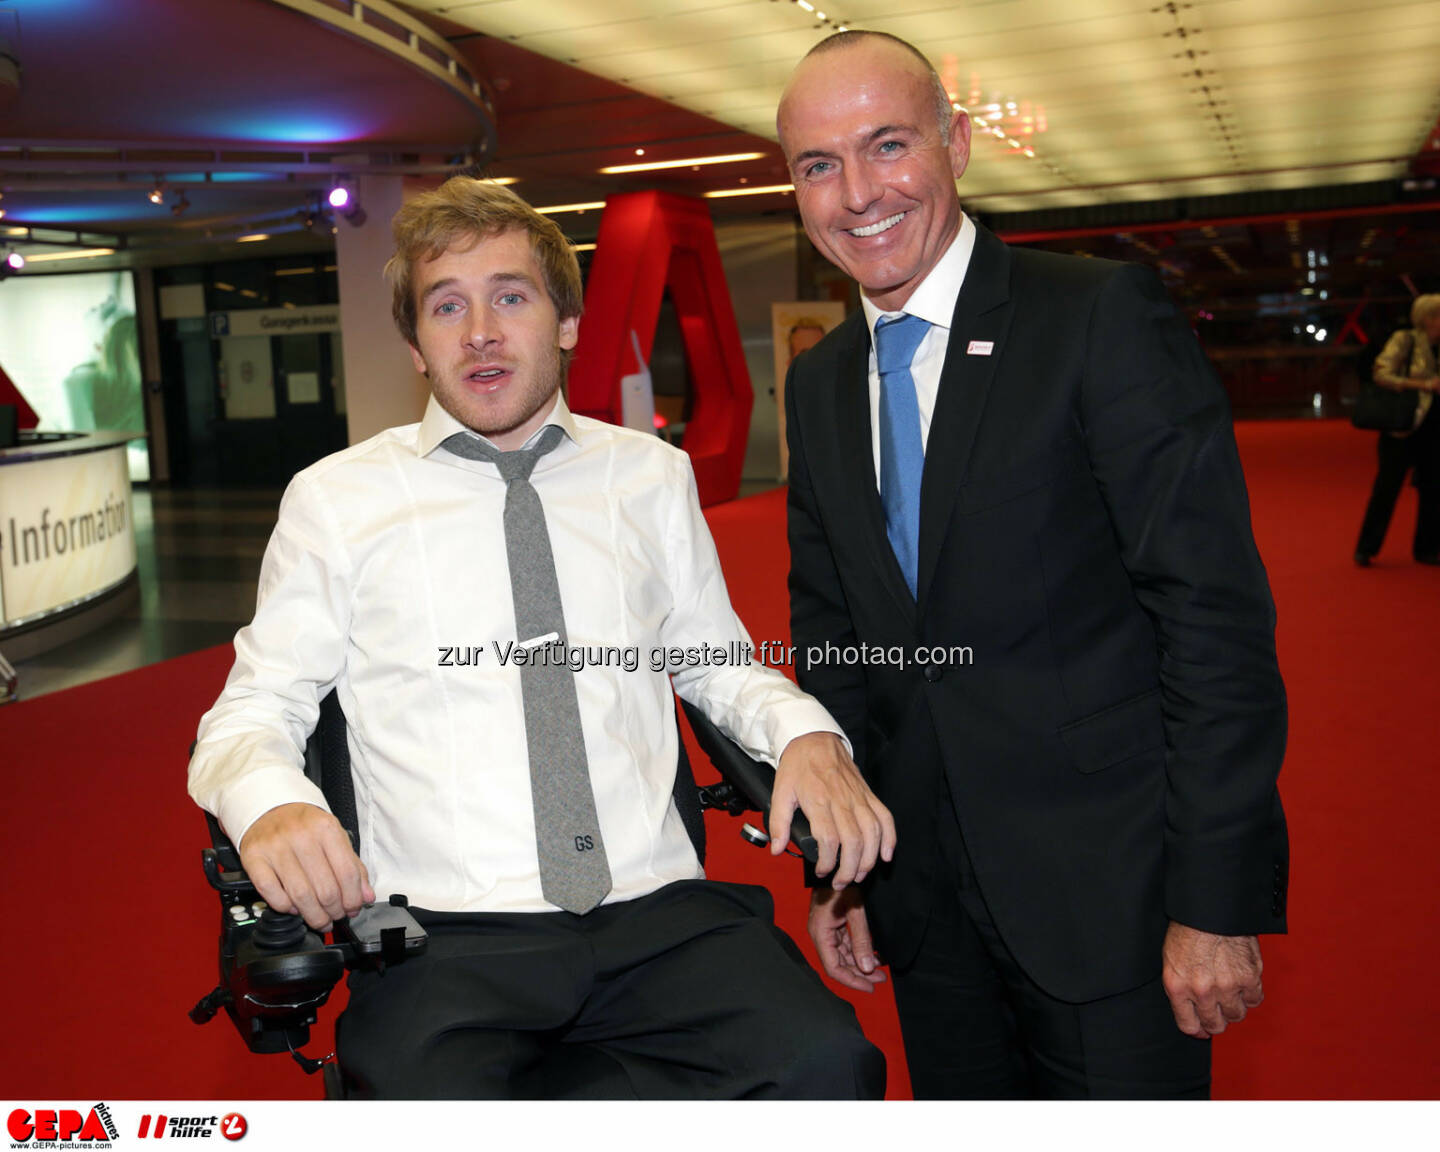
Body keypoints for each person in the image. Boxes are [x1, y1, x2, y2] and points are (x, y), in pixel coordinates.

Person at [188, 177, 892, 1099]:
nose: (480, 329)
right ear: (416, 343)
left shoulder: (650, 477)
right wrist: (271, 804)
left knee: (828, 1065)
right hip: (442, 931)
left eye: (510, 296)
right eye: (448, 305)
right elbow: (250, 714)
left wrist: (804, 732)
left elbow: (717, 665)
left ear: (565, 322)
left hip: (659, 915)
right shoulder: (338, 500)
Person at [776, 31, 1288, 1099]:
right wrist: (846, 869)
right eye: (819, 165)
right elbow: (835, 644)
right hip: (926, 913)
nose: (858, 193)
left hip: (1115, 902)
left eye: (887, 145)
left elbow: (1212, 620)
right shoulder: (821, 385)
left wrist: (1215, 896)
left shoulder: (1097, 316)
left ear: (957, 144)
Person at [1353, 294, 1440, 566]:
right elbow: (1381, 373)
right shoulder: (1406, 339)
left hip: (1435, 428)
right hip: (1401, 428)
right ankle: (1367, 547)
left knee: (1434, 490)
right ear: (1427, 318)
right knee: (1387, 489)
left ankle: (1426, 549)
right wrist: (1423, 385)